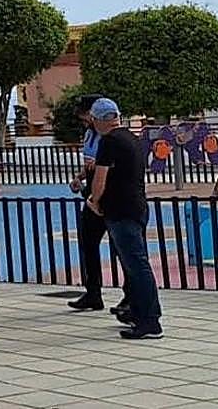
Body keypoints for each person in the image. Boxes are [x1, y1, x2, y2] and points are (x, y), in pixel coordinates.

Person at [86, 98, 162, 340]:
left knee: (136, 265)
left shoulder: (108, 142)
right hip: (138, 205)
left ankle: (149, 319)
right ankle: (139, 312)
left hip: (120, 209)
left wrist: (94, 201)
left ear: (99, 120)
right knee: (137, 263)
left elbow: (100, 178)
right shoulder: (133, 139)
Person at [67, 93, 128, 314]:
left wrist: (96, 196)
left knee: (121, 246)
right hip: (92, 189)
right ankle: (93, 292)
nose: (84, 120)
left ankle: (129, 294)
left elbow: (105, 167)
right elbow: (91, 163)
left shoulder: (110, 137)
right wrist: (80, 177)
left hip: (107, 192)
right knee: (88, 242)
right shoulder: (90, 135)